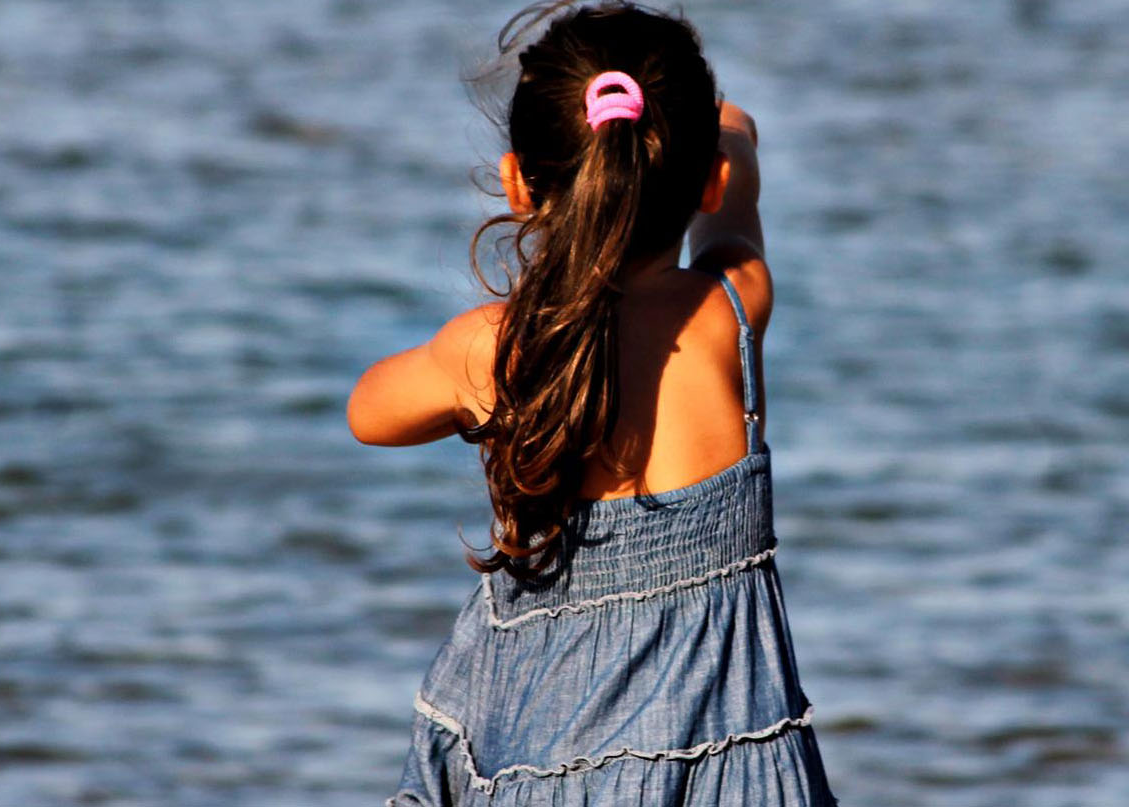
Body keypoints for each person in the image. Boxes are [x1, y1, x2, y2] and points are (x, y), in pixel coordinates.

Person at [347, 2, 835, 803]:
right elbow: (735, 204)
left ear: (518, 184)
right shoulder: (730, 310)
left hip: (551, 767)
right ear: (706, 180)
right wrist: (730, 135)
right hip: (738, 775)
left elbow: (368, 414)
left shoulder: (497, 350)